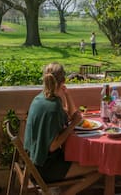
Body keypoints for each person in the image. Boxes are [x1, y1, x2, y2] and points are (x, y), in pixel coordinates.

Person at [24, 62, 101, 195]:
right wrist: (72, 125)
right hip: (45, 168)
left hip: (32, 162)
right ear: (63, 80)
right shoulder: (53, 107)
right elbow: (53, 146)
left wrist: (67, 95)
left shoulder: (41, 98)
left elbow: (71, 115)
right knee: (101, 168)